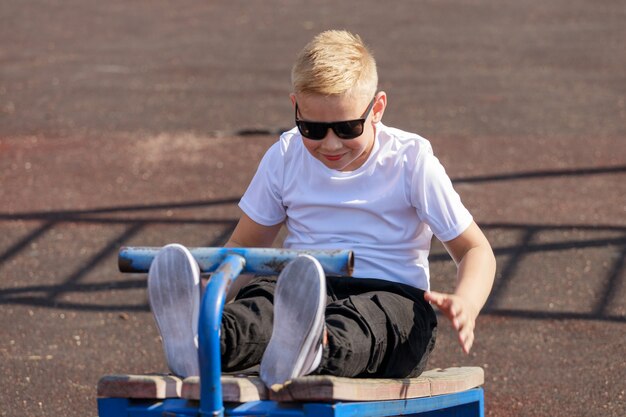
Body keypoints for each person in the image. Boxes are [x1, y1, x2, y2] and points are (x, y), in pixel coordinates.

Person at [147, 30, 496, 388]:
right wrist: (208, 295)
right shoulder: (286, 155)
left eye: (347, 128)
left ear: (377, 109)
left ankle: (315, 350)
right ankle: (208, 341)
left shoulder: (410, 160)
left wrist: (466, 301)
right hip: (303, 287)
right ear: (295, 106)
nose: (330, 144)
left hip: (390, 294)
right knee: (264, 304)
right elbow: (244, 248)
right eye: (311, 128)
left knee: (369, 324)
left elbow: (474, 248)